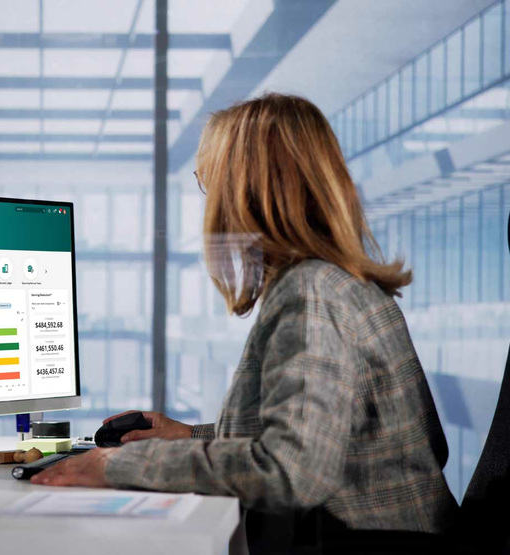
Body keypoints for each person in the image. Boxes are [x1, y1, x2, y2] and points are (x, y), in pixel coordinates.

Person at [31, 93, 458, 548]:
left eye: (208, 182)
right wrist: (190, 437)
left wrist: (116, 466)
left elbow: (293, 471)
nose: (208, 202)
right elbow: (356, 439)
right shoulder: (341, 283)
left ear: (244, 190)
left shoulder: (311, 295)